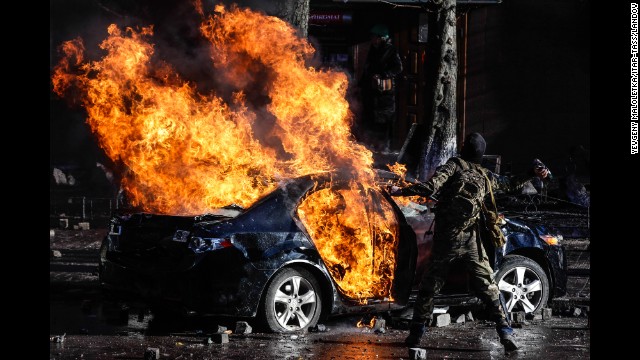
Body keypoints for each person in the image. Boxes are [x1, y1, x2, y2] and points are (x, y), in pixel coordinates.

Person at [389, 132, 549, 352]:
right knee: (489, 288)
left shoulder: (455, 166)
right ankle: (506, 335)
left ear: (464, 149)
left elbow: (430, 187)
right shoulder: (485, 175)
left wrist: (400, 191)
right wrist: (532, 173)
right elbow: (511, 184)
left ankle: (415, 335)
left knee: (429, 287)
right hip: (472, 240)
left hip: (448, 240)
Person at [359, 24, 403, 151]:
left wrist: (383, 75)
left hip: (385, 93)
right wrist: (361, 85)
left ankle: (385, 147)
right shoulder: (373, 50)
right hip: (372, 91)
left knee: (385, 119)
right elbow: (367, 69)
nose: (371, 39)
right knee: (371, 118)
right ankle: (373, 146)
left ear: (380, 38)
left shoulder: (391, 50)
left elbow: (398, 68)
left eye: (373, 36)